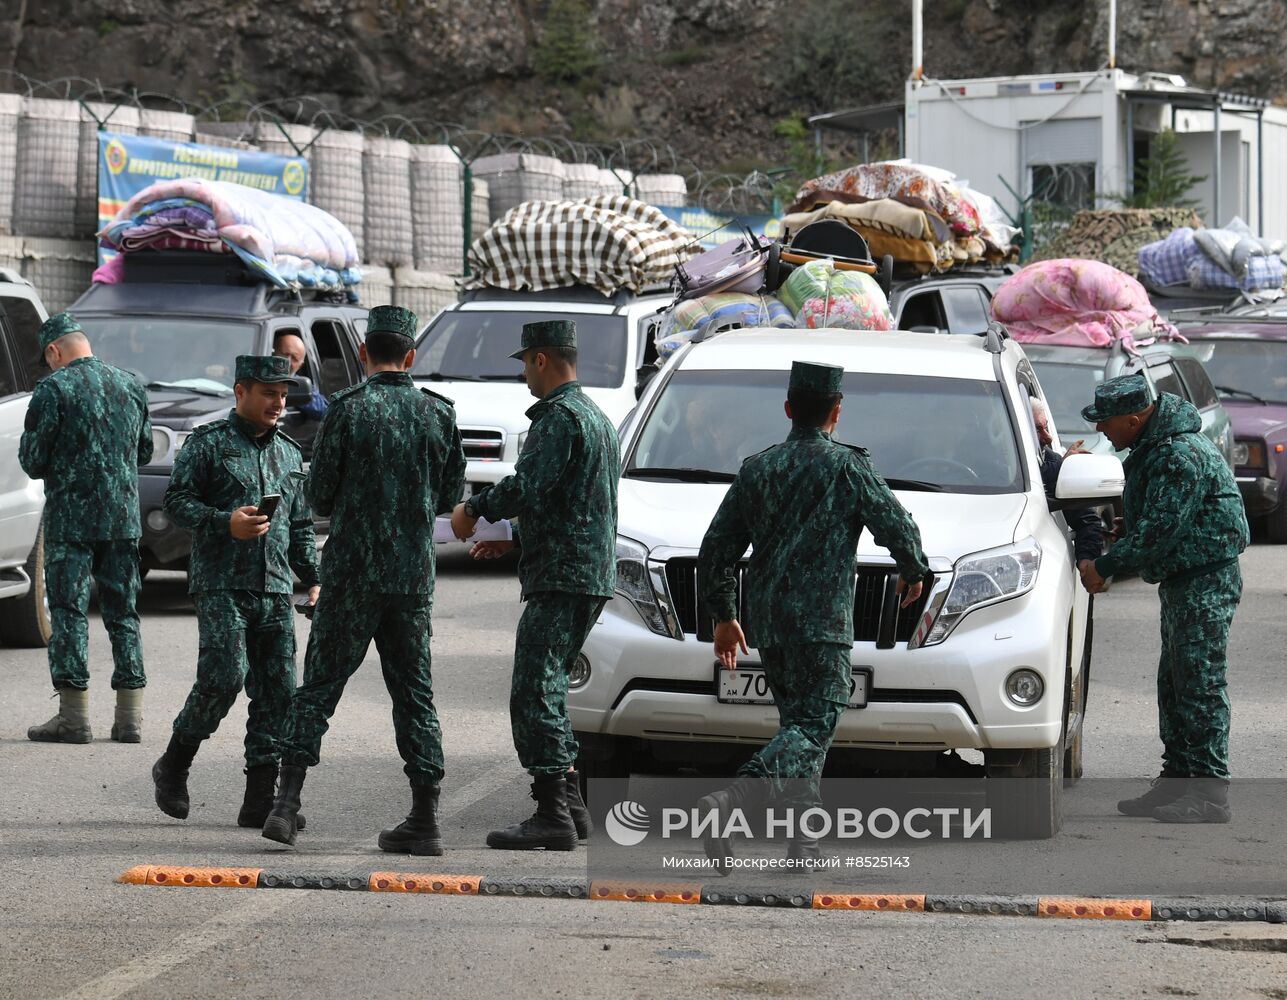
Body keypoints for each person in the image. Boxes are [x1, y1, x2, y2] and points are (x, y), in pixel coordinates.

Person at [695, 361, 929, 871]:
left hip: (770, 624)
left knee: (798, 732)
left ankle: (804, 846)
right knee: (813, 727)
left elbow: (716, 551)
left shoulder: (758, 468)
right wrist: (913, 568)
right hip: (822, 625)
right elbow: (895, 523)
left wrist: (723, 615)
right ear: (836, 412)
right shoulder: (848, 467)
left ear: (787, 410)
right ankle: (730, 803)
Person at [263, 306, 465, 854]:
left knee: (319, 688)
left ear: (362, 352)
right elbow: (449, 498)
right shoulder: (438, 414)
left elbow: (320, 494)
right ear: (411, 356)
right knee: (414, 695)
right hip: (410, 581)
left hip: (351, 576)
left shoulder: (348, 412)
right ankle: (424, 820)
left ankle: (285, 804)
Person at [451, 319, 618, 851]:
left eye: (525, 362)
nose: (524, 374)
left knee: (533, 692)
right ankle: (569, 806)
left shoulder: (558, 419)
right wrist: (516, 539)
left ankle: (551, 813)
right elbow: (571, 503)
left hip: (562, 576)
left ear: (542, 359)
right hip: (586, 572)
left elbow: (530, 485)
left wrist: (474, 510)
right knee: (547, 687)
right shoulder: (596, 417)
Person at [152, 355, 320, 827]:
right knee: (224, 677)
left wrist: (312, 578)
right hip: (222, 582)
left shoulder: (289, 452)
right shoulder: (208, 443)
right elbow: (177, 502)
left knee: (278, 693)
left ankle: (259, 799)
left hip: (273, 588)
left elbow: (300, 523)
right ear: (241, 390)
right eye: (269, 393)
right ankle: (174, 763)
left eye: (284, 394)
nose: (279, 402)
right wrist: (225, 521)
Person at [1078, 373, 1248, 823]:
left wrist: (1105, 566)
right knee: (1174, 685)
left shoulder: (1178, 454)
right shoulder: (1155, 446)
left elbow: (1160, 531)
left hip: (1203, 580)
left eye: (1106, 421)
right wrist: (1125, 533)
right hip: (1183, 579)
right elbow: (1156, 519)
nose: (1101, 429)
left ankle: (1209, 794)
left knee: (1200, 685)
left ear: (1134, 420)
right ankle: (1177, 781)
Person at [19, 312, 152, 744]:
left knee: (69, 612)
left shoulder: (53, 389)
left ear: (54, 351)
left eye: (47, 358)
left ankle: (74, 718)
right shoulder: (131, 384)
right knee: (123, 613)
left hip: (71, 523)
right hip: (122, 519)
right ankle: (129, 719)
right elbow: (145, 451)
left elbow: (33, 460)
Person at [1030, 398, 1104, 567]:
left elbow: (1088, 521)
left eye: (1046, 427)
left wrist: (1087, 563)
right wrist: (1061, 467)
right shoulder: (981, 461)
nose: (1048, 438)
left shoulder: (1051, 460)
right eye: (1036, 430)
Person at [272, 332, 328, 420]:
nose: (288, 361)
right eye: (284, 354)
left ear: (300, 365)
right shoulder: (254, 376)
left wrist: (290, 385)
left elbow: (325, 412)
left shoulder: (300, 384)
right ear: (273, 354)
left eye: (294, 358)